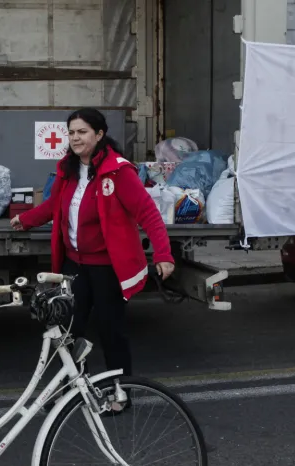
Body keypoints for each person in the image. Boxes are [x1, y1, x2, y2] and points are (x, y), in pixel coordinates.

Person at [11, 108, 175, 388]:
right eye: (72, 132)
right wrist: (26, 219)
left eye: (82, 132)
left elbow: (148, 213)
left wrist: (163, 254)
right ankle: (75, 388)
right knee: (68, 329)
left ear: (99, 135)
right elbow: (55, 205)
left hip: (107, 267)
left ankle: (121, 392)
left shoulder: (119, 171)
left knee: (111, 331)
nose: (75, 138)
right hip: (74, 266)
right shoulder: (68, 170)